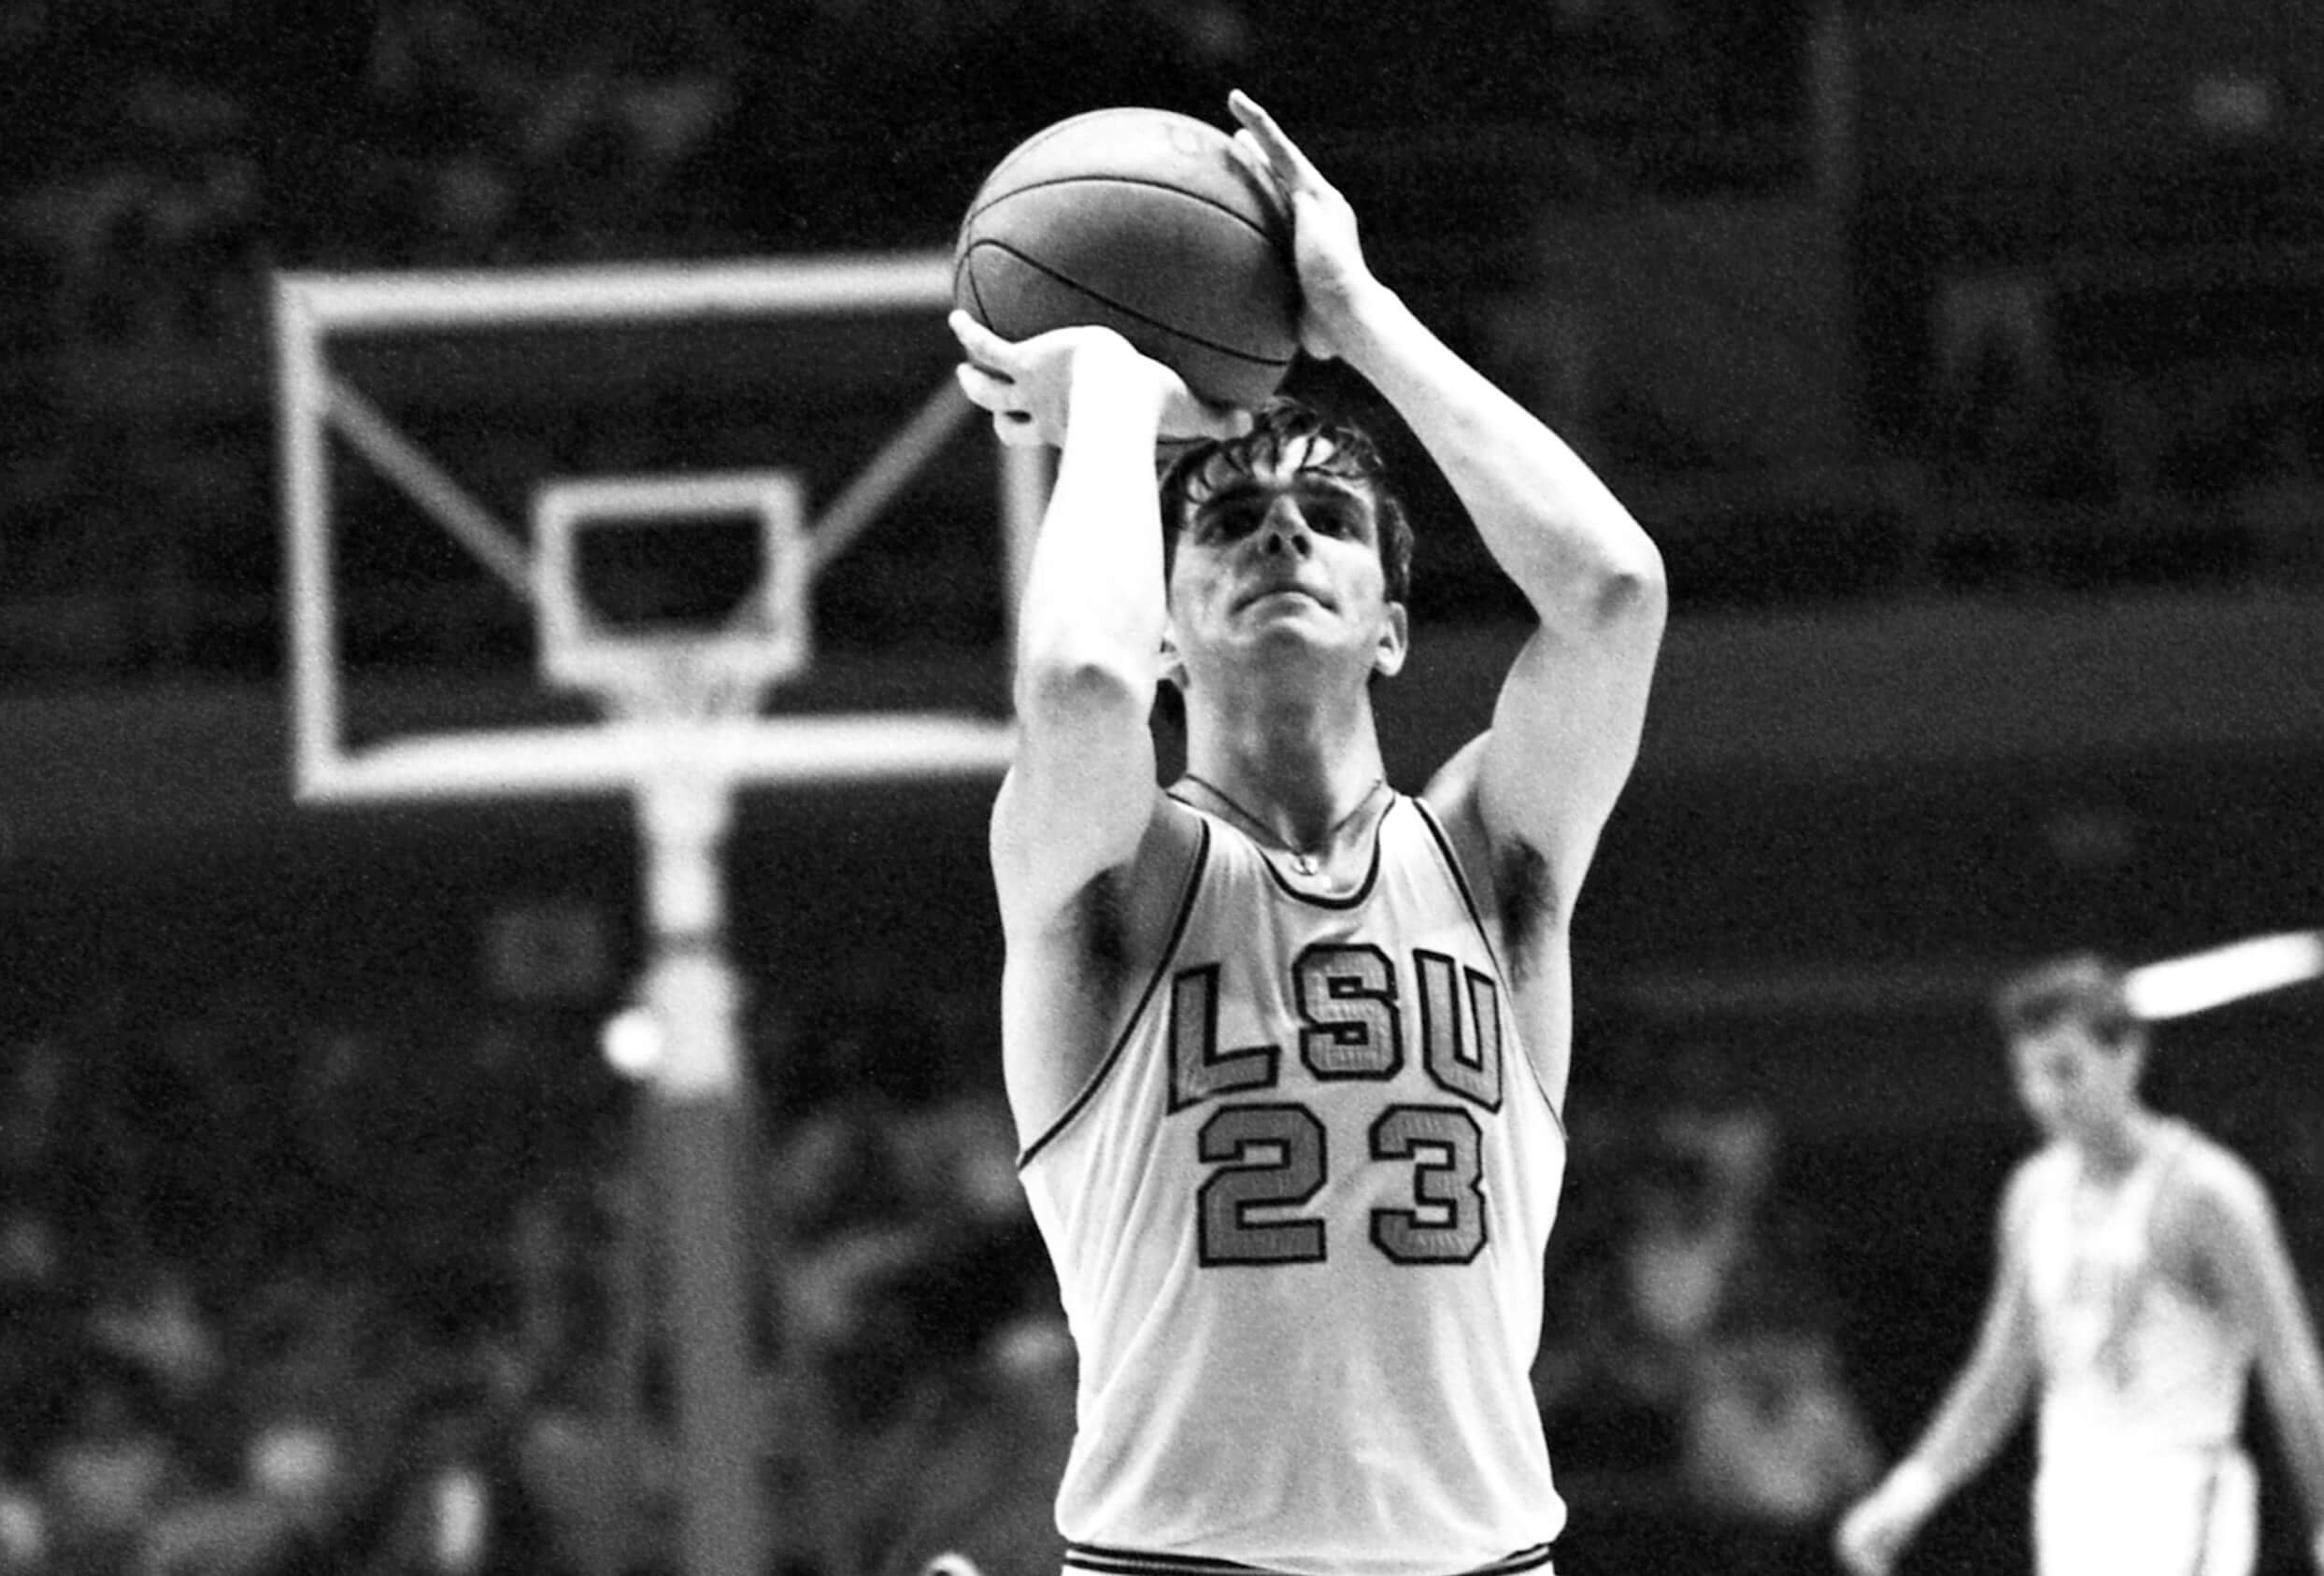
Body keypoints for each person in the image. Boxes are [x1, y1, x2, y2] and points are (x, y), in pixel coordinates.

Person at [949, 89, 1666, 1576]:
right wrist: (1106, 409)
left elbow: (1612, 593)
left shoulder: (1492, 857)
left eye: (1326, 514)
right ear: (1165, 630)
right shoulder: (1116, 881)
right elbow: (1078, 679)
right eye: (1221, 523)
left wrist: (1362, 312)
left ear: (1394, 628)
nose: (1279, 530)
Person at [1833, 951, 2324, 1576]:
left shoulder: (2205, 1193)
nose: (2045, 1096)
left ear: (2127, 1055)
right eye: (2028, 1073)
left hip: (2177, 1484)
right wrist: (1909, 1491)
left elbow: (2289, 1366)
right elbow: (2001, 1369)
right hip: (2071, 1490)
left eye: (2065, 1070)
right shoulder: (2033, 1193)